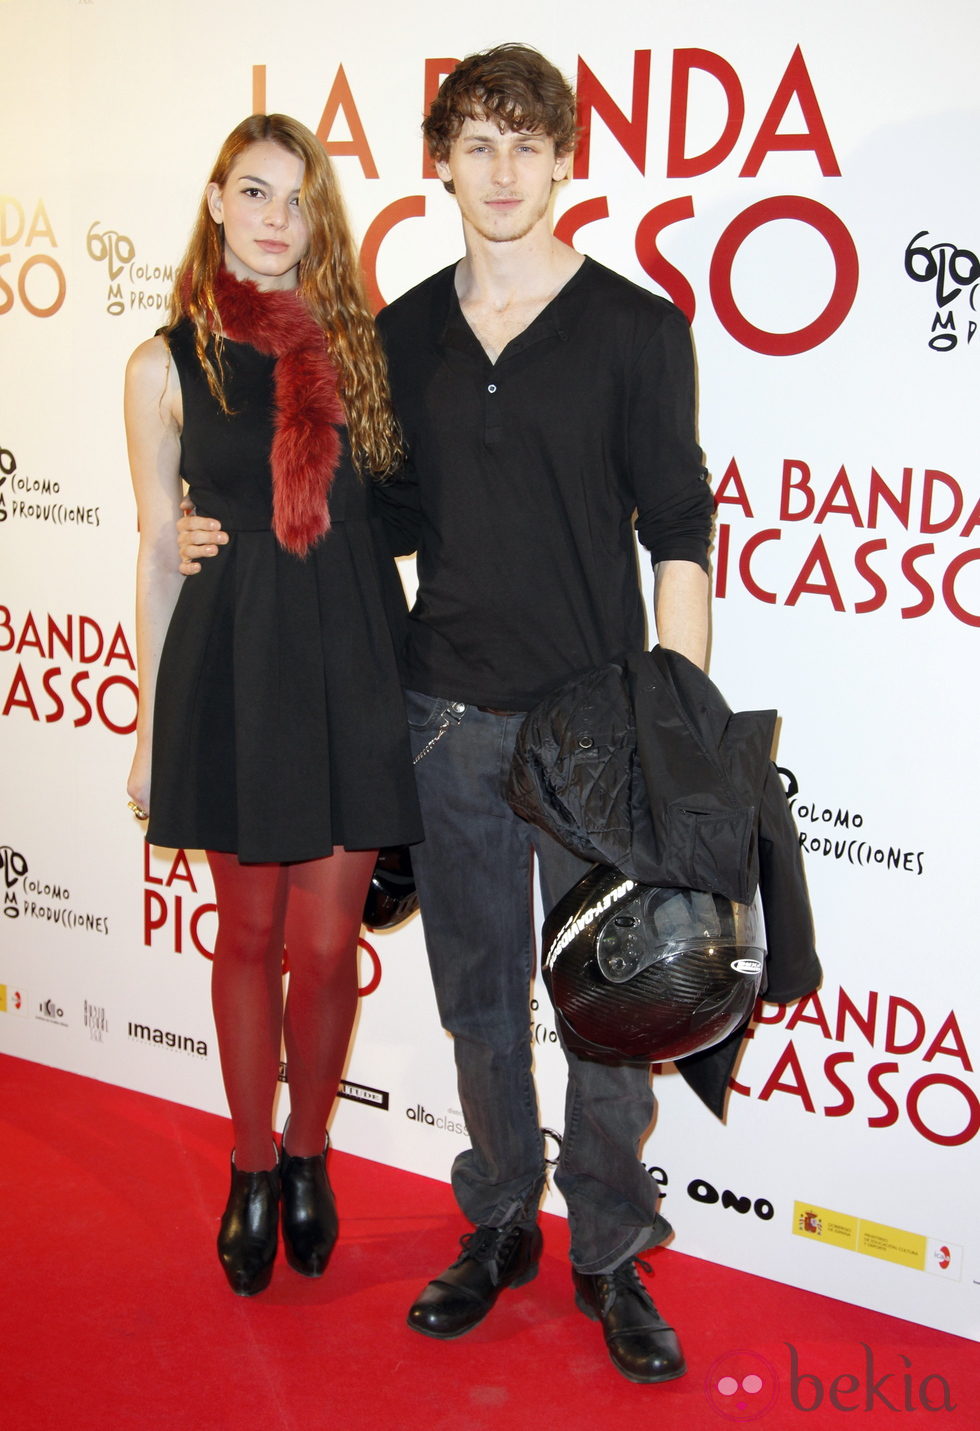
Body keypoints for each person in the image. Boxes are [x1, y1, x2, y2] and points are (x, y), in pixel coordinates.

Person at [178, 47, 714, 1380]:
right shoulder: (398, 335)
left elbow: (682, 536)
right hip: (441, 722)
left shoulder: (638, 329)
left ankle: (605, 1246)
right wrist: (204, 529)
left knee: (606, 1009)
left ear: (567, 160)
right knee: (478, 1002)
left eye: (528, 144)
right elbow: (361, 515)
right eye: (477, 144)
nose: (503, 170)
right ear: (442, 162)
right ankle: (496, 1225)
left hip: (597, 724)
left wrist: (675, 722)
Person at [126, 113, 422, 1298]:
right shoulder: (161, 364)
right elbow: (159, 552)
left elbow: (410, 512)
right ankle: (252, 1166)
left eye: (295, 201)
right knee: (244, 937)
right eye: (251, 193)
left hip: (350, 663)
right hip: (234, 667)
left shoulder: (365, 356)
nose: (271, 218)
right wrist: (150, 723)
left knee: (320, 942)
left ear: (318, 221)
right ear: (214, 203)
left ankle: (311, 1153)